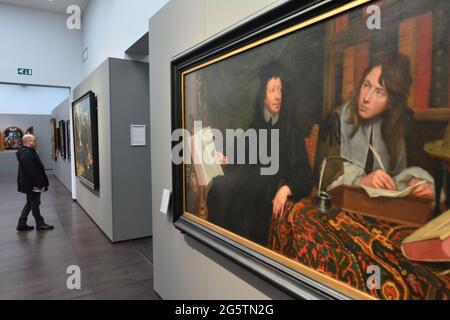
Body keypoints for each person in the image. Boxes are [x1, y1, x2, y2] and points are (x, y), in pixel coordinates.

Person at [206, 61, 313, 246]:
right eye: (272, 90)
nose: (278, 96)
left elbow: (303, 172)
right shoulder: (257, 124)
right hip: (249, 177)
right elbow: (243, 152)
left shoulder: (290, 131)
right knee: (219, 188)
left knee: (246, 213)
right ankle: (218, 244)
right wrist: (227, 158)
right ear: (263, 96)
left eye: (279, 90)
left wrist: (287, 188)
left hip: (267, 186)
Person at [316, 54, 434, 199]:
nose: (366, 98)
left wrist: (418, 184)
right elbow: (323, 175)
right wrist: (360, 181)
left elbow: (410, 171)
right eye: (366, 85)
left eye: (379, 92)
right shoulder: (336, 120)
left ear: (391, 102)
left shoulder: (404, 125)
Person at [16, 134, 54, 231]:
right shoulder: (27, 153)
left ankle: (21, 223)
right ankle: (40, 223)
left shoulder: (27, 152)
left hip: (30, 184)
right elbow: (32, 172)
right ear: (28, 142)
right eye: (34, 141)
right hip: (32, 184)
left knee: (30, 202)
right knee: (35, 202)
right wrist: (40, 184)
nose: (35, 142)